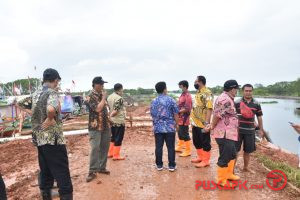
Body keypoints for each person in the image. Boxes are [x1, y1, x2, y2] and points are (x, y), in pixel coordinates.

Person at [18, 68, 73, 200]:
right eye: (57, 81)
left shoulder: (36, 94)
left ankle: (46, 196)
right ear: (55, 80)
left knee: (46, 171)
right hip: (53, 140)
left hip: (39, 139)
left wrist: (34, 114)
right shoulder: (52, 93)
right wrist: (49, 118)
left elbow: (19, 103)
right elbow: (50, 108)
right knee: (62, 173)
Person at [210, 80, 240, 187]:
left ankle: (228, 174)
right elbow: (217, 115)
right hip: (224, 134)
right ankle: (221, 179)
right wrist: (212, 126)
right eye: (236, 89)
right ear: (232, 89)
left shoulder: (228, 98)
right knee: (225, 156)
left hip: (229, 133)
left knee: (232, 154)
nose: (237, 91)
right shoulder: (224, 99)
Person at [85, 77, 111, 182]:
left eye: (103, 84)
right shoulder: (89, 96)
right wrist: (104, 98)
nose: (103, 86)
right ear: (95, 84)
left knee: (105, 147)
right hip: (95, 127)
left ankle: (101, 167)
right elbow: (97, 109)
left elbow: (106, 109)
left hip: (105, 126)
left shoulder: (101, 95)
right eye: (101, 84)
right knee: (95, 148)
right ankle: (92, 171)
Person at [150, 82, 179, 172]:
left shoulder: (154, 101)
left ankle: (159, 165)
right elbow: (176, 114)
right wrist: (176, 124)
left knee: (158, 147)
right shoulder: (171, 100)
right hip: (170, 127)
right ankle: (171, 165)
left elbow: (152, 114)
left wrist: (155, 124)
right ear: (164, 89)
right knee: (170, 147)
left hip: (158, 127)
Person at [235, 84, 264, 173]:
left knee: (247, 151)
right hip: (238, 131)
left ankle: (246, 167)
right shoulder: (236, 102)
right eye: (246, 91)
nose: (248, 92)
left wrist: (261, 130)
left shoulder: (256, 103)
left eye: (250, 91)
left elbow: (259, 117)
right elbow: (232, 116)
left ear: (252, 91)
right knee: (235, 151)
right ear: (243, 91)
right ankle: (231, 169)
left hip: (250, 131)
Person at [190, 76, 213, 168]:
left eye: (196, 81)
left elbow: (209, 108)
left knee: (205, 142)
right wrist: (192, 122)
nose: (194, 83)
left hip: (203, 124)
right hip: (195, 123)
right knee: (197, 141)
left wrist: (207, 124)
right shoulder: (198, 93)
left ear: (200, 82)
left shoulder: (207, 93)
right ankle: (200, 157)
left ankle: (206, 161)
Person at [107, 83, 126, 160]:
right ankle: (116, 155)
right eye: (122, 90)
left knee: (113, 137)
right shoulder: (119, 98)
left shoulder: (109, 97)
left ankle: (110, 153)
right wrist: (111, 116)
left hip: (112, 122)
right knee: (119, 138)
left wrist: (109, 118)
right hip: (119, 121)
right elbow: (116, 111)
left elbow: (109, 108)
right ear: (120, 89)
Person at [175, 80, 193, 157]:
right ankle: (180, 146)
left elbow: (188, 108)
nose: (180, 88)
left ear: (185, 86)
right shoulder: (182, 94)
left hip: (184, 117)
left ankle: (188, 150)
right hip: (180, 117)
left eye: (180, 87)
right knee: (179, 132)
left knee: (185, 133)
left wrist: (178, 111)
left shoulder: (188, 96)